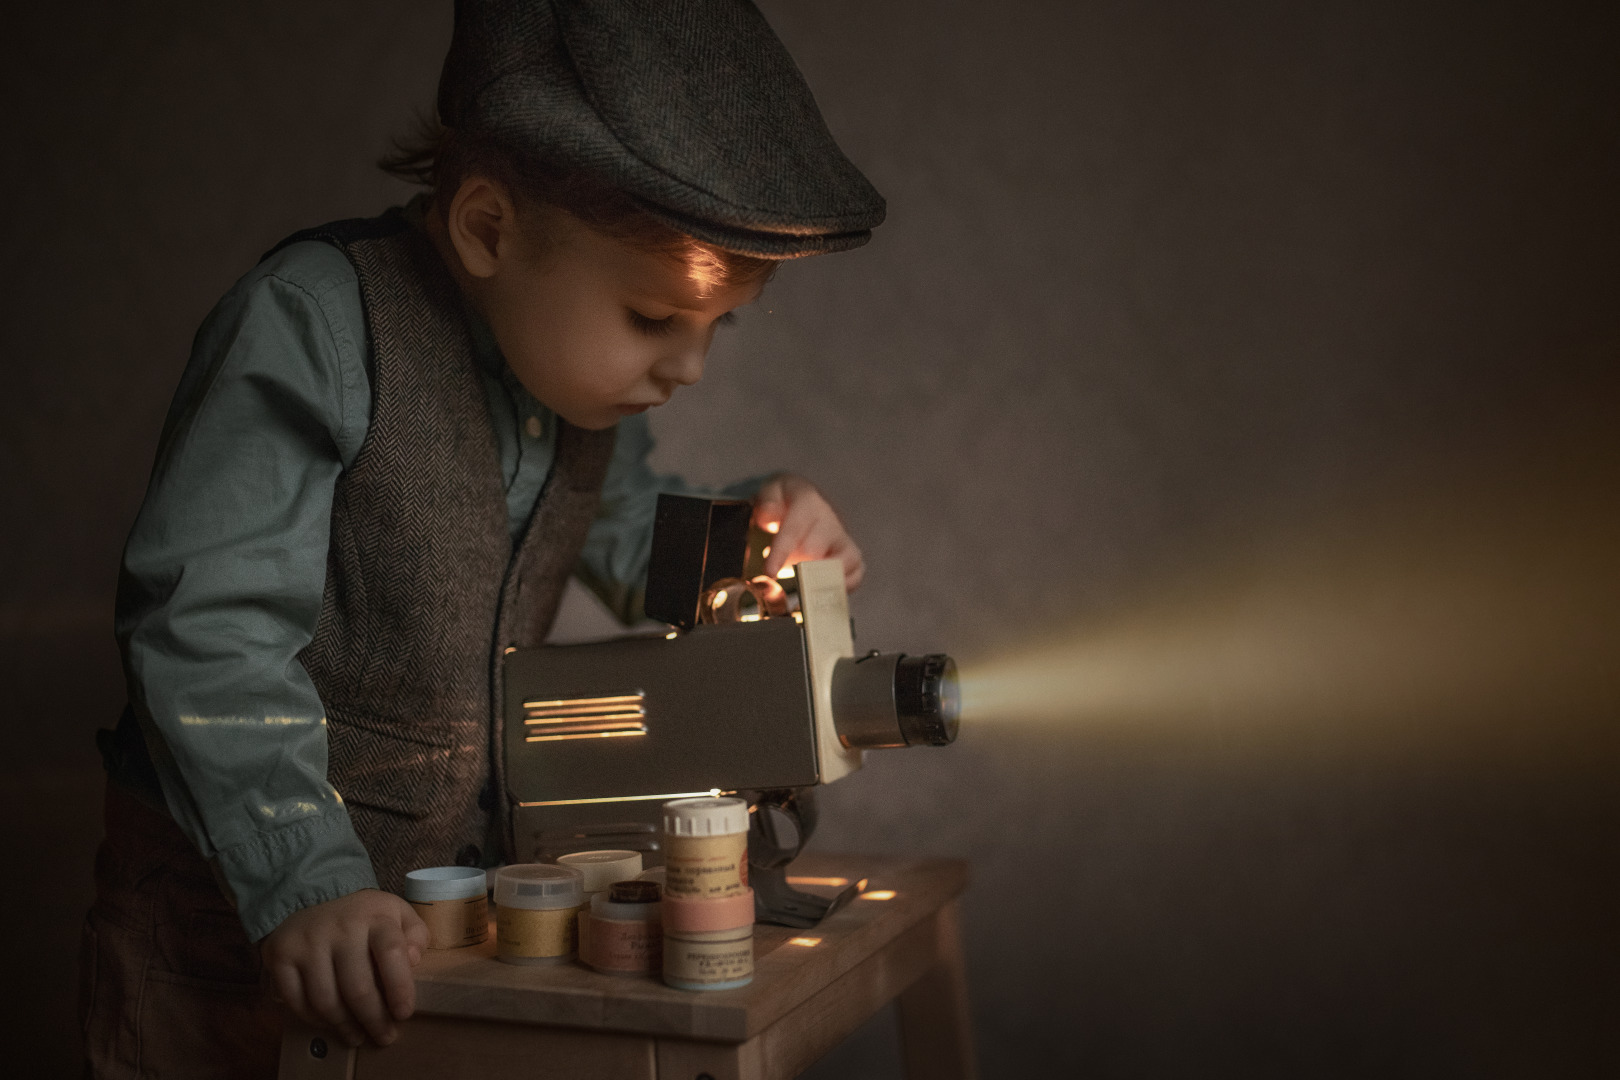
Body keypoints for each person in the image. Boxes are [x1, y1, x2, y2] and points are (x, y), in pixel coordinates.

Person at [79, 2, 885, 1075]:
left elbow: (633, 541)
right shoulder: (318, 322)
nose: (688, 368)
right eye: (653, 318)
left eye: (714, 326)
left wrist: (759, 538)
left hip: (433, 919)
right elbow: (205, 630)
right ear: (489, 229)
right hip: (234, 921)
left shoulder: (575, 397)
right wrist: (304, 879)